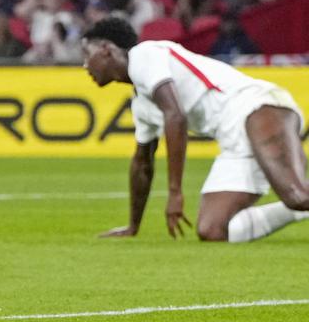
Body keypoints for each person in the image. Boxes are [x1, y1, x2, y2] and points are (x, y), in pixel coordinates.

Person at [82, 17, 309, 242]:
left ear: (106, 49)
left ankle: (299, 204)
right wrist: (133, 225)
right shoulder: (142, 104)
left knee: (297, 195)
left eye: (86, 54)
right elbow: (143, 163)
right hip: (232, 139)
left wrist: (175, 193)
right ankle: (300, 211)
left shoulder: (144, 54)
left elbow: (176, 116)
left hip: (256, 107)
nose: (84, 65)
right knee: (212, 230)